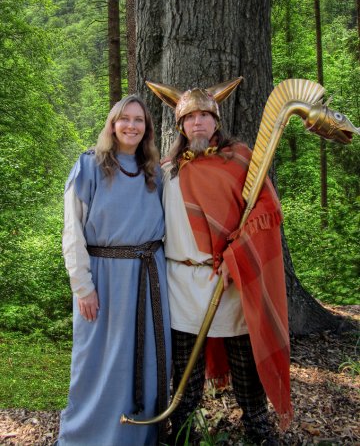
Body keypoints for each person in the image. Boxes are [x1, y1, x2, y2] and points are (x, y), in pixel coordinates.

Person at [147, 78, 293, 445]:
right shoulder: (167, 170)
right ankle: (181, 432)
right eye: (190, 117)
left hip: (230, 280)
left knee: (245, 365)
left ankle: (259, 429)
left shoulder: (242, 160)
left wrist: (235, 256)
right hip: (180, 282)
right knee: (185, 371)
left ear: (216, 121)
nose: (198, 122)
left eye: (205, 116)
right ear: (180, 125)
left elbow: (264, 211)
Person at [55, 95, 172, 446]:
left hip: (150, 279)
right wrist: (82, 287)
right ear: (112, 124)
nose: (131, 126)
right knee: (98, 364)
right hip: (104, 282)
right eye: (125, 119)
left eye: (139, 120)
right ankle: (86, 437)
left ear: (147, 128)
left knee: (148, 363)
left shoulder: (155, 172)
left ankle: (140, 437)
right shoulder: (89, 166)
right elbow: (72, 232)